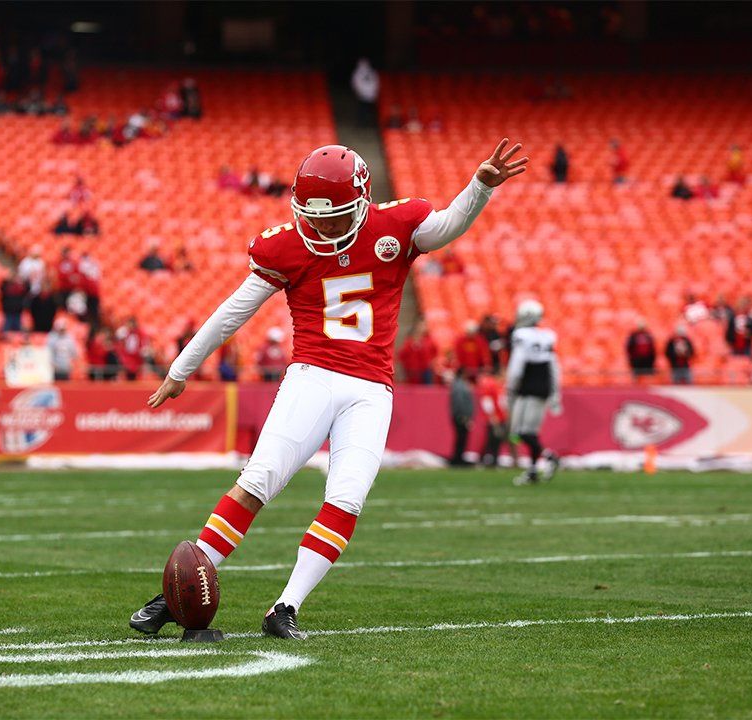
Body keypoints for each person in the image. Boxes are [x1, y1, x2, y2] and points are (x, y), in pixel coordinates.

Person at [128, 139, 529, 639]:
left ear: (362, 201)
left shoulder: (395, 226)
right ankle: (176, 596)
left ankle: (285, 607)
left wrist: (480, 187)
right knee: (258, 481)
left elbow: (447, 225)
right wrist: (181, 368)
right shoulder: (287, 246)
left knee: (347, 499)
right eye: (314, 215)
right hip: (312, 375)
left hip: (370, 388)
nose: (323, 226)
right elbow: (234, 310)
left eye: (335, 215)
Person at [505, 300, 561, 485]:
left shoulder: (521, 335)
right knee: (530, 433)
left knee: (520, 432)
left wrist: (511, 386)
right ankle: (533, 471)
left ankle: (548, 457)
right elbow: (554, 366)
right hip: (542, 386)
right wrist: (555, 392)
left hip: (528, 387)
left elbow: (517, 363)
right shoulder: (546, 336)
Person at [476, 370, 509, 468]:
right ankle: (483, 460)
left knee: (497, 439)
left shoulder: (500, 385)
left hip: (500, 417)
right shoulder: (490, 384)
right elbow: (487, 401)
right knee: (491, 439)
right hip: (495, 417)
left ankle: (494, 460)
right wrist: (492, 416)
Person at [449, 368, 475, 468]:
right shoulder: (460, 386)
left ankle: (458, 458)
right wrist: (464, 416)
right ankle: (458, 458)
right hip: (462, 417)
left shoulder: (458, 385)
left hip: (460, 416)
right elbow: (460, 402)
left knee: (461, 438)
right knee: (461, 438)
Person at [351, 58, 379, 127]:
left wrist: (374, 92)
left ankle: (368, 124)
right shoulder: (358, 73)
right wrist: (358, 91)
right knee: (362, 110)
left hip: (370, 95)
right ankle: (362, 123)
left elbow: (376, 83)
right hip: (363, 95)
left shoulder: (372, 72)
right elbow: (355, 83)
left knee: (368, 110)